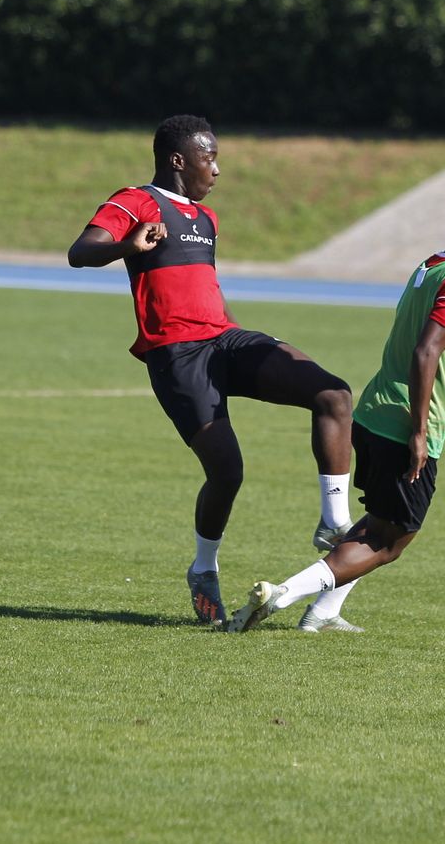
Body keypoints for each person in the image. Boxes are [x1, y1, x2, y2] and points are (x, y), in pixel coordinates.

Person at [67, 115, 355, 627]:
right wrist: (125, 247)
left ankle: (335, 523)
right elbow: (79, 251)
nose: (217, 169)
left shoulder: (206, 219)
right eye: (210, 157)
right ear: (179, 160)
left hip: (225, 338)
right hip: (177, 356)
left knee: (333, 393)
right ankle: (203, 569)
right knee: (227, 470)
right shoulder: (135, 201)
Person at [226, 185, 445, 634]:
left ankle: (324, 613)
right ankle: (282, 595)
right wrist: (419, 432)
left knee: (379, 527)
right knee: (390, 541)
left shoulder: (429, 269)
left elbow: (443, 351)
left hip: (373, 415)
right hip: (402, 424)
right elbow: (426, 353)